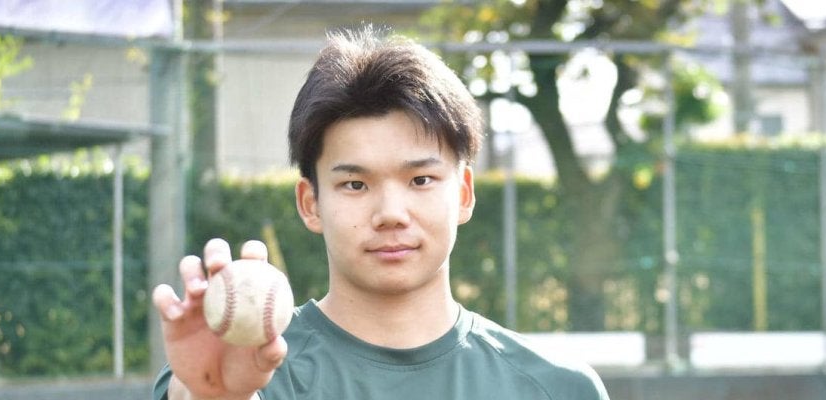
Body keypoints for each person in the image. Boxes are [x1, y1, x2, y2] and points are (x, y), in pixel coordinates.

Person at [151, 26, 610, 400]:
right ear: (310, 203)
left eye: (421, 180)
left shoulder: (557, 388)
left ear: (464, 193)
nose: (391, 213)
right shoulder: (242, 374)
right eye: (355, 184)